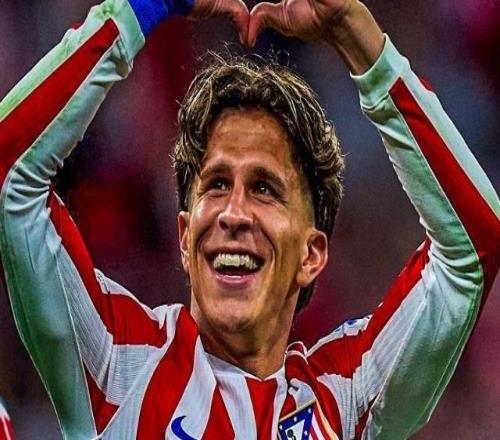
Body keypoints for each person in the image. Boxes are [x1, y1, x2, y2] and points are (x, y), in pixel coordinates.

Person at [0, 0, 498, 438]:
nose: (234, 213)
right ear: (183, 236)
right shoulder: (118, 363)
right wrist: (139, 11)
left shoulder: (343, 401)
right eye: (216, 184)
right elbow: (12, 173)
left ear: (311, 255)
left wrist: (359, 38)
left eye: (264, 189)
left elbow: (472, 245)